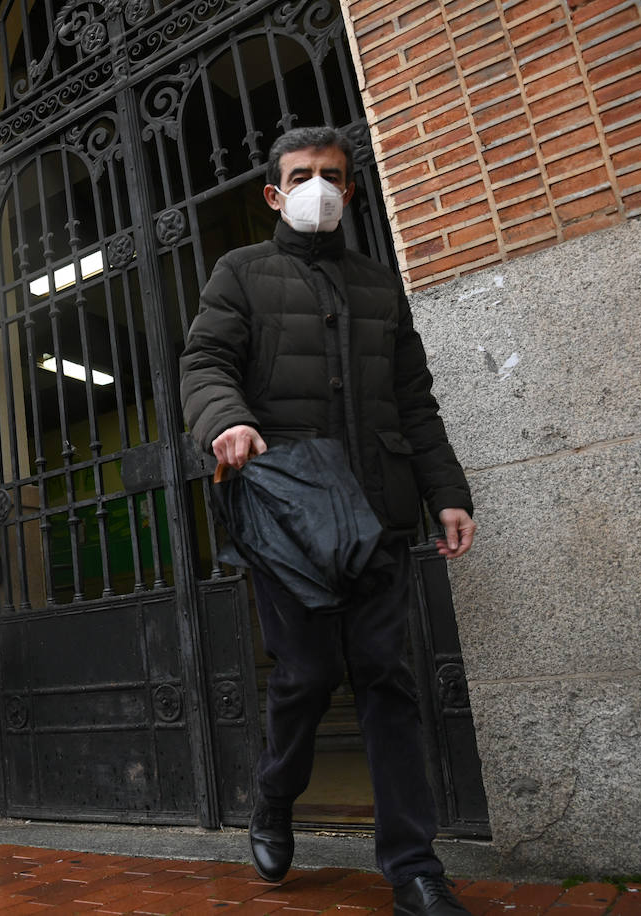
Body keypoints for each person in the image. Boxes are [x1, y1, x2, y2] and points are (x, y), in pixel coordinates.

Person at [180, 126, 477, 916]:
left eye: (333, 176)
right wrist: (227, 421)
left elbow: (415, 402)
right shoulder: (239, 273)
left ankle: (414, 867)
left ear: (351, 192)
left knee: (388, 679)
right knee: (307, 677)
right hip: (292, 513)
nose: (319, 186)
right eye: (303, 174)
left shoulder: (379, 287)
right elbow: (205, 362)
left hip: (378, 510)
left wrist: (447, 490)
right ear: (275, 193)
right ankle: (275, 797)